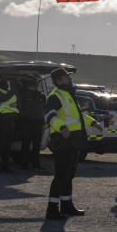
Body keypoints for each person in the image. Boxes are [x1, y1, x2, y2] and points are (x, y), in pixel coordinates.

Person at [43, 68, 87, 220]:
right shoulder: (55, 96)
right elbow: (49, 115)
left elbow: (76, 116)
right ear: (59, 80)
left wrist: (93, 122)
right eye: (67, 77)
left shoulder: (68, 94)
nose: (70, 79)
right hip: (63, 142)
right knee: (61, 175)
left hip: (73, 142)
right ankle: (52, 209)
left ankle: (67, 206)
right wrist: (61, 127)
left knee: (69, 175)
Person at [0, 78, 19, 173]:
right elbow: (4, 98)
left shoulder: (10, 92)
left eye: (6, 82)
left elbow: (15, 105)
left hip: (11, 120)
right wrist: (13, 90)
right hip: (1, 120)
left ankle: (6, 166)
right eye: (4, 82)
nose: (6, 83)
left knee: (7, 145)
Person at [16, 79, 45, 169]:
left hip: (36, 123)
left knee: (34, 145)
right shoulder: (23, 95)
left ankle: (34, 164)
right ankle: (25, 164)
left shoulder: (41, 95)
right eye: (35, 84)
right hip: (28, 123)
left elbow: (44, 108)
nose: (36, 86)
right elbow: (20, 109)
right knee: (27, 145)